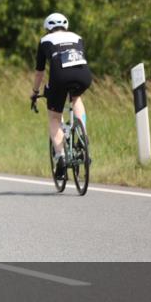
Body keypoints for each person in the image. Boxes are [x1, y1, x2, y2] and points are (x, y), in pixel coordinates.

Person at [31, 12, 92, 180]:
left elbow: (39, 72)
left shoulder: (44, 41)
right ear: (66, 26)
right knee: (76, 97)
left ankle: (61, 157)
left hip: (60, 77)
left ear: (47, 28)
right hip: (83, 75)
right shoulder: (78, 37)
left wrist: (35, 92)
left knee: (54, 117)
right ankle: (82, 135)